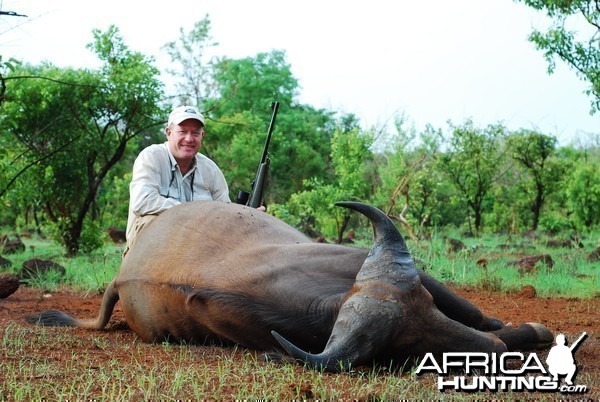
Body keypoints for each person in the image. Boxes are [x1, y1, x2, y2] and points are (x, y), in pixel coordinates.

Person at [125, 105, 231, 252]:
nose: (189, 138)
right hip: (148, 253)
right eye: (182, 131)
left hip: (197, 248)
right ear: (168, 133)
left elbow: (225, 213)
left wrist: (247, 216)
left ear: (202, 136)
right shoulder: (152, 157)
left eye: (195, 133)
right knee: (152, 221)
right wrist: (191, 212)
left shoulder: (210, 170)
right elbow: (142, 202)